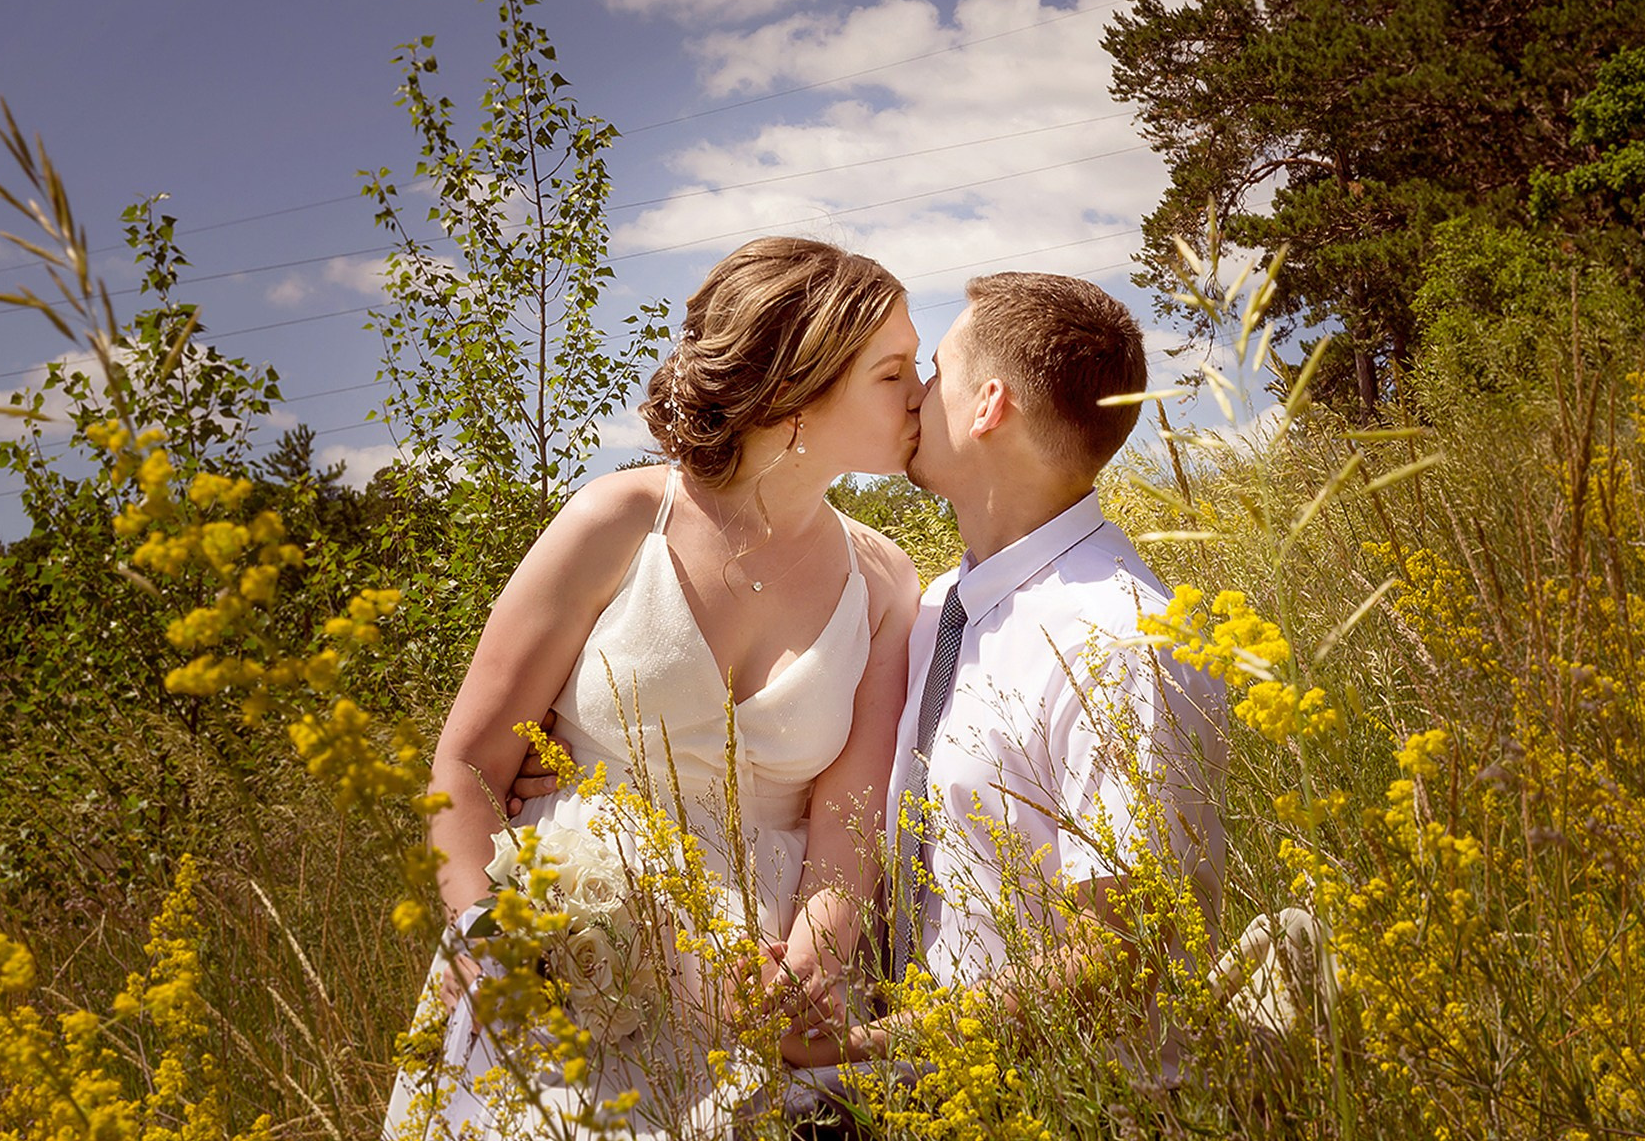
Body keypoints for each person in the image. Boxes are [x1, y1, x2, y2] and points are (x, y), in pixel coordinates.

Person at [360, 236, 923, 1141]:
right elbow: (463, 766)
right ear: (799, 384)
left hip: (762, 984)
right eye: (892, 371)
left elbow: (847, 827)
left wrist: (809, 971)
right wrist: (489, 939)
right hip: (561, 958)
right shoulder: (622, 517)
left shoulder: (885, 581)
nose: (919, 395)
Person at [513, 271, 1229, 1071]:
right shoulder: (934, 609)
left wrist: (869, 1050)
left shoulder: (1130, 641)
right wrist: (579, 745)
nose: (917, 396)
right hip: (889, 1095)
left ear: (988, 405)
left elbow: (1126, 947)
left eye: (934, 373)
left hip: (1065, 1106)